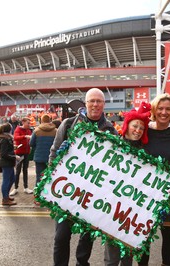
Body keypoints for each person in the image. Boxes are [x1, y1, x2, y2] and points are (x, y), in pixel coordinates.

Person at [48, 88, 118, 266]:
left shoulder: (110, 129)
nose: (95, 104)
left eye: (99, 101)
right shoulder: (68, 124)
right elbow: (54, 152)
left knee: (87, 237)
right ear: (85, 103)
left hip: (92, 194)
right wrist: (51, 178)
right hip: (67, 190)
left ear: (103, 104)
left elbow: (115, 163)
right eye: (91, 101)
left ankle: (82, 263)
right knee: (61, 236)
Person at [140, 93, 170, 266]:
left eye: (168, 109)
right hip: (145, 192)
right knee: (143, 235)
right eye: (160, 108)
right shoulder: (145, 129)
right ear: (154, 110)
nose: (164, 112)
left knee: (168, 235)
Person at [104, 101, 151, 266]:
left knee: (127, 254)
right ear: (127, 125)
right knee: (112, 253)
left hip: (133, 209)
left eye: (141, 128)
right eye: (135, 126)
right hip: (112, 206)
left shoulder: (146, 153)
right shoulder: (113, 146)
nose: (137, 130)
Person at [0, 123, 20, 205]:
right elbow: (4, 154)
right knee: (6, 180)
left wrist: (13, 148)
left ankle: (6, 196)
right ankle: (5, 199)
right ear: (9, 130)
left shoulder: (4, 138)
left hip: (8, 162)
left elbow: (5, 151)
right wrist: (14, 157)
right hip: (6, 162)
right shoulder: (5, 139)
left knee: (12, 179)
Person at [29, 114, 57, 186]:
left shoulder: (37, 131)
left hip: (39, 157)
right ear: (50, 120)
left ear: (41, 121)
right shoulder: (55, 131)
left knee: (39, 177)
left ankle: (38, 194)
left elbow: (31, 143)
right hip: (52, 158)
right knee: (51, 177)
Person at [10, 117, 33, 196]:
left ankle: (26, 187)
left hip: (26, 153)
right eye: (28, 123)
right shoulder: (18, 129)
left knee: (25, 170)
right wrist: (25, 136)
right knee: (18, 171)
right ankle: (15, 188)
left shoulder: (29, 130)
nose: (29, 125)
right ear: (23, 122)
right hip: (19, 153)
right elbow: (15, 138)